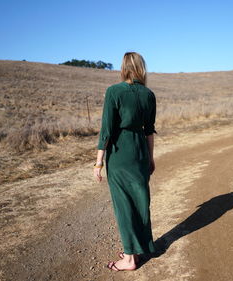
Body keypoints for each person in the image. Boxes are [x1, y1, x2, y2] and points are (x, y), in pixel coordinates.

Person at [93, 52, 157, 271]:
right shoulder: (148, 94)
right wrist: (150, 158)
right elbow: (149, 132)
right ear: (141, 68)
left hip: (120, 154)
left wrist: (98, 163)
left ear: (123, 68)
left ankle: (129, 258)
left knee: (124, 205)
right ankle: (138, 249)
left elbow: (106, 131)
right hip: (139, 151)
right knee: (140, 202)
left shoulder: (114, 91)